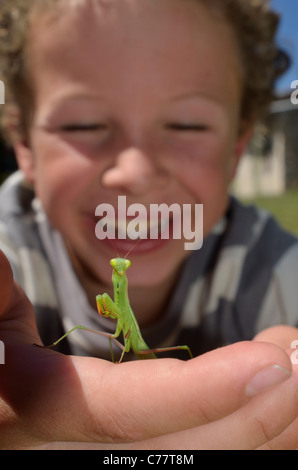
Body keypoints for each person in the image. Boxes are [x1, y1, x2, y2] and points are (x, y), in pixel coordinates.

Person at [0, 0, 297, 450]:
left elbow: (120, 336)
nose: (135, 175)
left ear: (236, 151)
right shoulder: (11, 248)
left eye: (186, 124)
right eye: (83, 123)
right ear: (24, 146)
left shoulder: (274, 266)